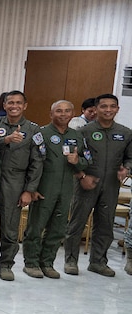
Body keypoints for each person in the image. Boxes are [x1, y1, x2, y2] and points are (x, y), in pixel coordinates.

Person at [62, 93, 132, 277]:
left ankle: (98, 262)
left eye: (112, 106)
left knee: (105, 225)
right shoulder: (83, 132)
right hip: (86, 183)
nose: (108, 110)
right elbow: (71, 157)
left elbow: (129, 158)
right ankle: (70, 260)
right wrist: (81, 175)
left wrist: (126, 169)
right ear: (96, 109)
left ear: (117, 109)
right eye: (104, 106)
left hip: (110, 185)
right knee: (77, 223)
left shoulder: (125, 133)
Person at [0, 91, 39, 280]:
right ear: (4, 105)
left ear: (25, 105)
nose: (14, 106)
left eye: (18, 103)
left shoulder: (34, 129)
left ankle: (6, 266)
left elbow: (37, 162)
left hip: (16, 183)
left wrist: (29, 190)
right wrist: (5, 140)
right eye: (10, 102)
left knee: (10, 228)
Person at [22, 100, 86, 279]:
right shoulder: (41, 134)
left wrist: (78, 162)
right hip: (44, 188)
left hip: (66, 190)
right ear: (51, 114)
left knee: (58, 229)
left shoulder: (78, 136)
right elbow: (32, 164)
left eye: (67, 111)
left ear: (72, 114)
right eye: (59, 111)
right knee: (36, 227)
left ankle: (47, 263)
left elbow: (87, 160)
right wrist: (31, 188)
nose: (63, 114)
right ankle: (31, 263)